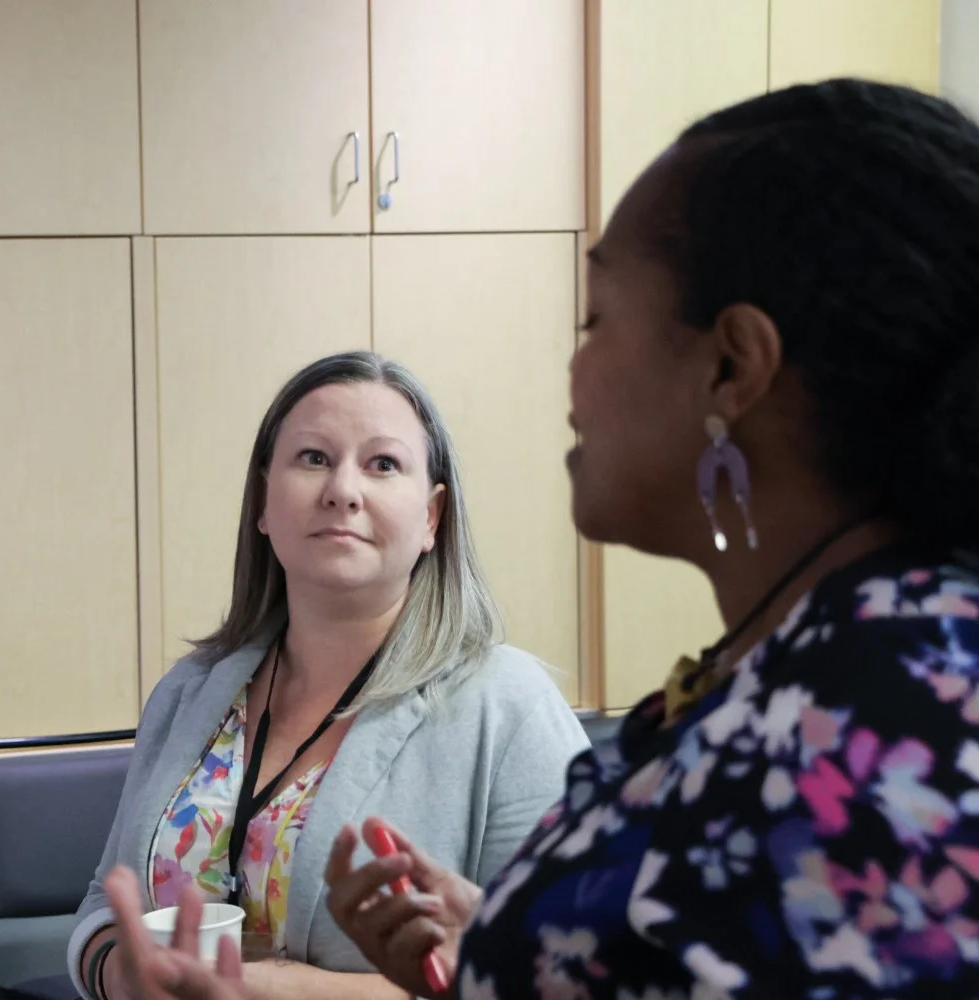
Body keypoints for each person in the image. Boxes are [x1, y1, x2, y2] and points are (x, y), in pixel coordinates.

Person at [99, 78, 979, 998]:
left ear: (731, 366)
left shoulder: (885, 720)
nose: (574, 368)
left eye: (598, 318)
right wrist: (496, 949)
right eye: (312, 460)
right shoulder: (793, 669)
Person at [68, 352, 588, 1000]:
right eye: (313, 458)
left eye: (382, 464)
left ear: (432, 518)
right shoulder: (190, 691)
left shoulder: (509, 708)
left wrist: (279, 992)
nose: (343, 489)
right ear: (263, 500)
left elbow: (566, 972)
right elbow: (101, 903)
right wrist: (120, 973)